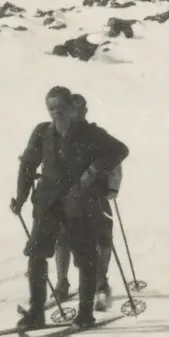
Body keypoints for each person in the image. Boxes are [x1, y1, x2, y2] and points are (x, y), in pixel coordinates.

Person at [12, 86, 129, 329]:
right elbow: (27, 164)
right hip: (48, 203)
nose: (56, 114)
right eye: (51, 109)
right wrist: (21, 197)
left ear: (72, 109)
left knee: (85, 259)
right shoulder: (42, 132)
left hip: (81, 204)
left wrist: (94, 170)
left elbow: (120, 150)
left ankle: (85, 314)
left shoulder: (91, 134)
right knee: (36, 255)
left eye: (61, 109)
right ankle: (36, 313)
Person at [53, 94, 124, 311]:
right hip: (68, 198)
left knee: (101, 240)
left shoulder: (95, 134)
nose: (76, 114)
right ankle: (62, 284)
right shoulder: (58, 134)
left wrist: (113, 186)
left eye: (80, 110)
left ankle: (101, 285)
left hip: (95, 196)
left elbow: (116, 158)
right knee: (62, 239)